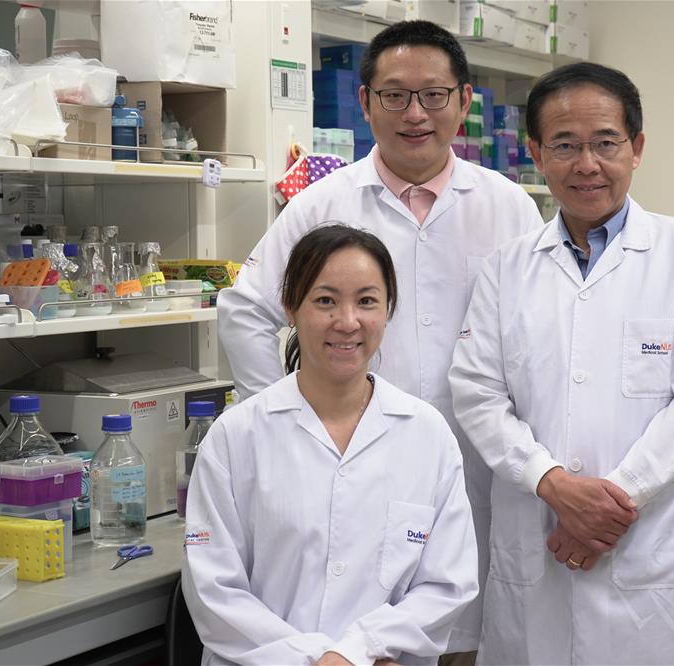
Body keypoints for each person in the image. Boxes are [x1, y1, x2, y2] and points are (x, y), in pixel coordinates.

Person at [218, 21, 543, 657]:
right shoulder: (321, 204)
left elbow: (539, 344)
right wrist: (286, 420)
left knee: (458, 634)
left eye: (434, 95)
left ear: (464, 102)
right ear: (365, 103)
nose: (414, 113)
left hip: (477, 471)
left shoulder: (510, 207)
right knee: (350, 640)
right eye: (394, 95)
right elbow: (246, 311)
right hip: (344, 471)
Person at [448, 62, 674, 665]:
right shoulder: (506, 267)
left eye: (606, 143)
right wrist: (552, 483)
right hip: (537, 538)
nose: (587, 164)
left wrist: (611, 503)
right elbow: (476, 391)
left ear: (636, 147)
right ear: (535, 152)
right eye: (565, 145)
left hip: (649, 550)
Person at [183, 225, 478, 665]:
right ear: (290, 309)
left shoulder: (427, 434)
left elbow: (447, 584)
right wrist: (318, 659)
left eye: (366, 301)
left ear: (388, 310)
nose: (347, 321)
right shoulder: (236, 436)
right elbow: (214, 589)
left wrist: (357, 650)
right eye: (325, 301)